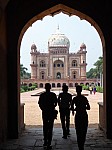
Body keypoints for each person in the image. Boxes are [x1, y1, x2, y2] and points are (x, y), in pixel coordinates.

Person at [38, 83, 58, 150]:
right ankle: (49, 142)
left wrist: (43, 109)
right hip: (51, 112)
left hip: (45, 112)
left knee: (45, 126)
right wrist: (52, 107)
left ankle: (45, 141)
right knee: (50, 127)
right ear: (50, 87)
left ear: (45, 87)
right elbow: (56, 103)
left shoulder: (42, 95)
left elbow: (40, 103)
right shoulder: (53, 95)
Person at [71, 85, 90, 150]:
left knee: (78, 131)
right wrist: (83, 107)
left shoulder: (75, 99)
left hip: (78, 116)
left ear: (76, 90)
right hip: (84, 115)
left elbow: (72, 108)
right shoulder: (84, 98)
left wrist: (76, 109)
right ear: (81, 90)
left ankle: (80, 145)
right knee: (84, 130)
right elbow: (88, 107)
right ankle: (82, 144)